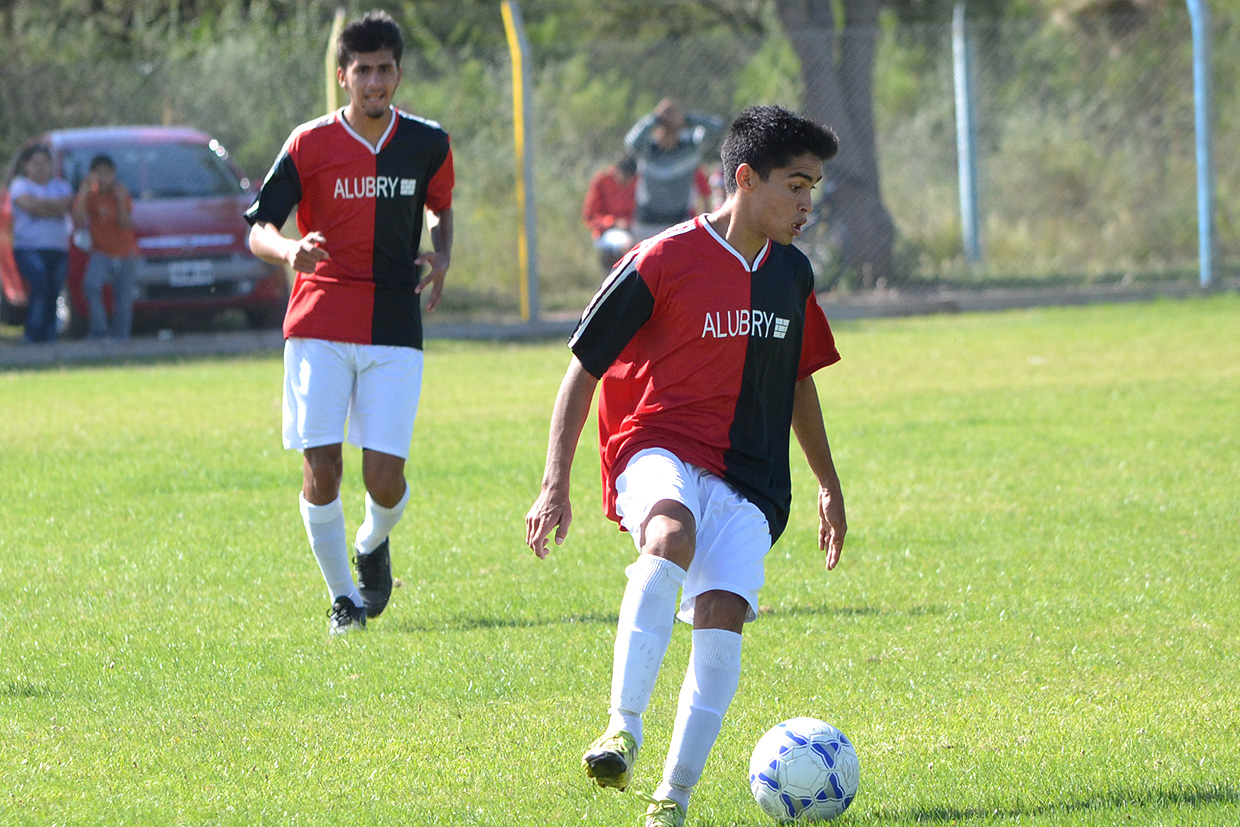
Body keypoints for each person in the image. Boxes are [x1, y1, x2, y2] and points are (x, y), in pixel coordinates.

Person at [525, 105, 846, 827]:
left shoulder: (792, 275)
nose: (806, 204)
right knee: (669, 535)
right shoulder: (661, 258)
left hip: (753, 479)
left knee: (722, 615)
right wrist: (555, 483)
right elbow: (583, 368)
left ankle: (673, 796)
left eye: (815, 189)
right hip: (657, 446)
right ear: (744, 179)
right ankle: (622, 727)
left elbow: (799, 380)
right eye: (795, 185)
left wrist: (827, 482)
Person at [245, 9, 454, 635]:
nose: (374, 82)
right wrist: (289, 252)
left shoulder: (428, 143)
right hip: (317, 321)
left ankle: (372, 541)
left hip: (393, 323)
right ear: (343, 77)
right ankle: (343, 600)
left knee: (384, 480)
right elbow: (259, 228)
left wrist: (442, 255)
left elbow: (441, 209)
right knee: (322, 468)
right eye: (362, 70)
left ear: (397, 75)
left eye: (385, 70)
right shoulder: (308, 143)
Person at [624, 98, 723, 242]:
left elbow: (716, 127)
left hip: (679, 221)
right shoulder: (647, 151)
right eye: (664, 129)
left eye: (673, 130)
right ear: (657, 130)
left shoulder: (691, 147)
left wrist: (685, 117)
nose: (668, 134)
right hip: (647, 222)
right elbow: (631, 142)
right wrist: (655, 118)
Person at [7, 144, 73, 343]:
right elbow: (30, 206)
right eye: (35, 163)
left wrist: (42, 205)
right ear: (26, 165)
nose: (41, 167)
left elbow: (66, 205)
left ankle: (50, 335)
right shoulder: (20, 185)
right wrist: (53, 207)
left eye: (45, 163)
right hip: (29, 248)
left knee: (54, 289)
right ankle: (32, 333)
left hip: (58, 248)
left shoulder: (62, 186)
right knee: (40, 282)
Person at [72, 154, 138, 339]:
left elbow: (126, 224)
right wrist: (84, 193)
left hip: (125, 252)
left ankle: (121, 338)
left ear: (114, 174)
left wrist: (119, 201)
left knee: (123, 299)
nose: (104, 178)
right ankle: (99, 330)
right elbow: (78, 220)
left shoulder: (120, 193)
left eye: (107, 174)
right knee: (91, 286)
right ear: (92, 175)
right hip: (101, 252)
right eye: (99, 174)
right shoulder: (90, 195)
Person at [582, 153, 637, 272]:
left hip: (633, 228)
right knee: (626, 243)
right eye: (624, 177)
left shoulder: (638, 181)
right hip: (607, 231)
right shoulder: (602, 181)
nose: (626, 182)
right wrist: (613, 223)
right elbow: (590, 216)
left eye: (630, 179)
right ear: (616, 170)